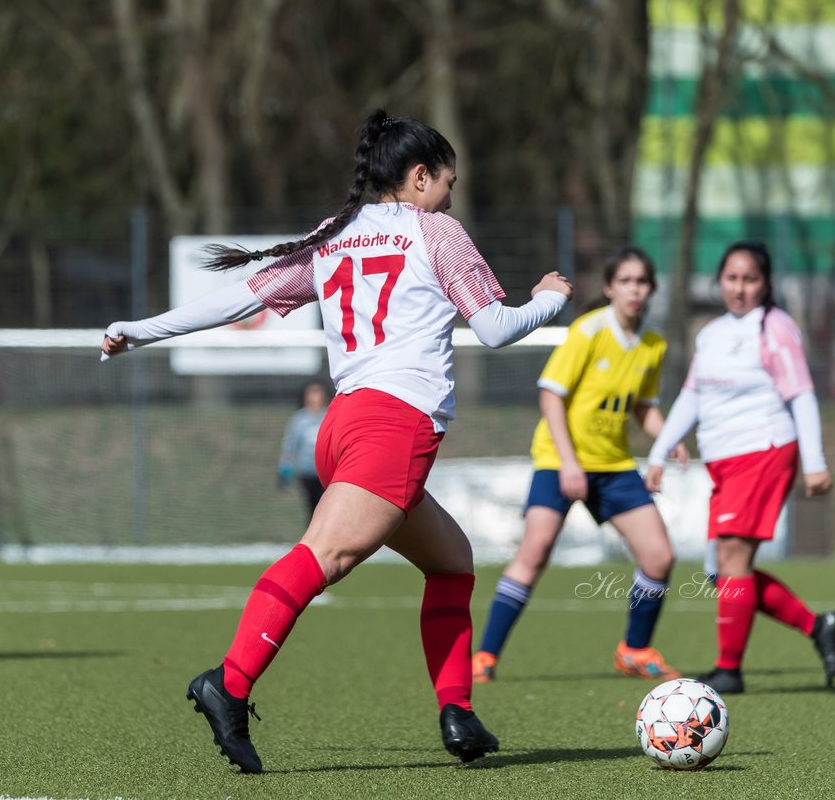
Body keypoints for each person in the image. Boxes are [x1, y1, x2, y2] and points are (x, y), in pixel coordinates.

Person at [102, 109, 573, 773]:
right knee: (322, 557)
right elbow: (495, 327)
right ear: (418, 176)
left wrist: (142, 329)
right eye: (447, 182)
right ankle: (228, 684)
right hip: (393, 425)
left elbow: (240, 301)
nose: (449, 195)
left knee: (452, 563)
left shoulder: (337, 235)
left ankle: (458, 713)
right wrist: (549, 299)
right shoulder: (434, 230)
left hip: (343, 425)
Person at [472, 246, 688, 686]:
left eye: (642, 282)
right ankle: (485, 657)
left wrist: (668, 440)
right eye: (625, 281)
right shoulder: (589, 330)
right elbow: (551, 395)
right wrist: (569, 464)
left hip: (612, 463)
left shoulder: (653, 343)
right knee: (534, 553)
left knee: (659, 557)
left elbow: (643, 407)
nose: (634, 290)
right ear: (609, 287)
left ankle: (634, 649)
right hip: (559, 458)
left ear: (651, 290)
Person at [644, 240, 835, 695]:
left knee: (731, 558)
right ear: (720, 281)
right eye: (731, 278)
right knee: (722, 568)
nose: (739, 288)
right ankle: (819, 626)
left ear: (766, 284)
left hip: (764, 451)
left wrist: (815, 463)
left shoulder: (773, 328)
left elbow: (802, 395)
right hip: (725, 462)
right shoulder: (712, 332)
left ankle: (728, 670)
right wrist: (659, 451)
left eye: (749, 279)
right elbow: (693, 395)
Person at [277, 380, 330, 522]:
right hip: (306, 473)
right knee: (311, 508)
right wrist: (284, 469)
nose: (315, 397)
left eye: (318, 392)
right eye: (311, 393)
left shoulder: (329, 416)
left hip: (326, 474)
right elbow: (290, 445)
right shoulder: (299, 420)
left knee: (324, 507)